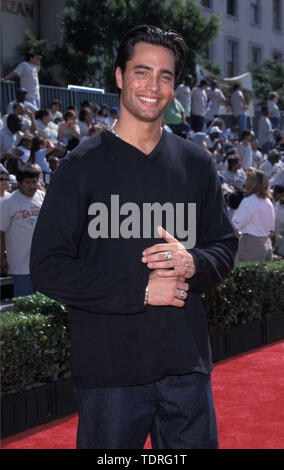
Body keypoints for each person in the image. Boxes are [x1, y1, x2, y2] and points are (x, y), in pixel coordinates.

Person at [30, 25, 238, 450]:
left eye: (165, 76)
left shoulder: (198, 164)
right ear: (120, 77)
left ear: (175, 86)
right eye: (142, 72)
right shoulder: (80, 166)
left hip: (186, 368)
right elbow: (48, 267)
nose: (154, 86)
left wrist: (194, 262)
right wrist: (143, 289)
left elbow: (225, 245)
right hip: (111, 376)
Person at [0, 165, 45, 295]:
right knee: (24, 304)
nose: (32, 186)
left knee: (43, 305)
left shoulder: (42, 197)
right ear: (19, 183)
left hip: (41, 261)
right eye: (28, 182)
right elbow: (1, 232)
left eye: (34, 182)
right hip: (20, 263)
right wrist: (2, 258)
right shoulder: (9, 202)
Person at [232, 168, 275, 262]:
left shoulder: (249, 201)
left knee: (247, 276)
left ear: (253, 183)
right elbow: (271, 229)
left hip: (251, 245)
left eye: (247, 179)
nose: (245, 182)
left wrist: (235, 210)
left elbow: (236, 225)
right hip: (266, 243)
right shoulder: (268, 202)